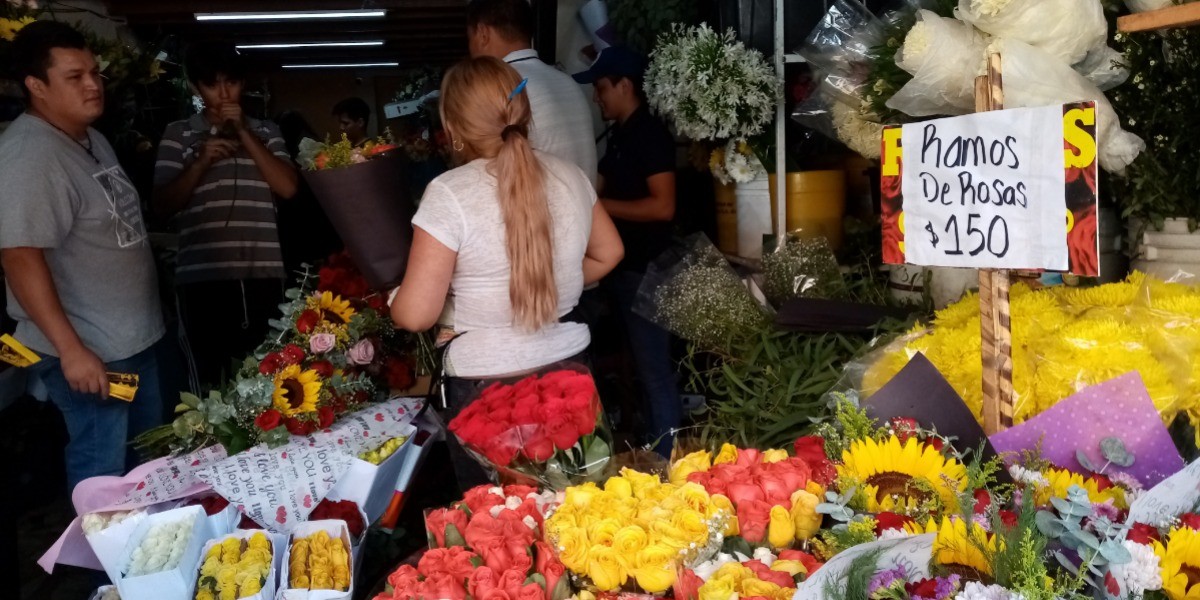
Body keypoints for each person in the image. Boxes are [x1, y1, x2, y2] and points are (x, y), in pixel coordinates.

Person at [390, 57, 623, 490]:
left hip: (485, 389)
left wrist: (395, 296)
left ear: (452, 129)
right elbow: (610, 253)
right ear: (524, 111)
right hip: (570, 373)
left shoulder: (448, 194)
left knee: (502, 522)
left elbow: (416, 315)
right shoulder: (570, 176)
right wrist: (557, 281)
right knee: (578, 513)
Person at [0, 21, 165, 491]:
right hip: (90, 353)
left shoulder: (86, 136)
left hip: (128, 341)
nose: (93, 84)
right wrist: (72, 351)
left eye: (95, 72)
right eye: (75, 77)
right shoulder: (29, 157)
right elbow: (19, 256)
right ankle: (98, 545)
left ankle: (147, 541)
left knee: (145, 466)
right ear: (36, 86)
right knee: (104, 473)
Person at [153, 42, 298, 390]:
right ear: (195, 87)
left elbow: (288, 188)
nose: (222, 94)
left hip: (263, 273)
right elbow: (161, 206)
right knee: (208, 383)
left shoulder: (267, 131)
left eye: (230, 83)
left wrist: (245, 132)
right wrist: (201, 162)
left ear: (242, 84)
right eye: (211, 84)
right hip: (201, 280)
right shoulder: (178, 133)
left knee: (270, 379)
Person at [573, 45, 681, 457]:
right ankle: (656, 452)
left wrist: (598, 207)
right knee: (640, 370)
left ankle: (669, 461)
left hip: (648, 271)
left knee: (655, 372)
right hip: (623, 270)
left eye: (601, 87)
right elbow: (594, 188)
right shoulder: (620, 134)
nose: (596, 97)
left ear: (625, 86)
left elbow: (663, 206)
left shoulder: (648, 134)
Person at [466, 0, 598, 184]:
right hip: (585, 200)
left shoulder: (495, 88)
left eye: (469, 39)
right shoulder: (568, 83)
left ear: (483, 33)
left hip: (535, 202)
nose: (470, 50)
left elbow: (483, 175)